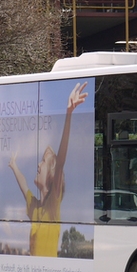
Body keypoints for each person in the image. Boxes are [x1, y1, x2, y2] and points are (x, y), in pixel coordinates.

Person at [8, 81, 88, 256]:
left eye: (43, 162)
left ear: (51, 175)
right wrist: (14, 165)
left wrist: (68, 114)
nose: (38, 164)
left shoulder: (53, 204)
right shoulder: (35, 206)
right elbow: (24, 185)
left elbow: (60, 162)